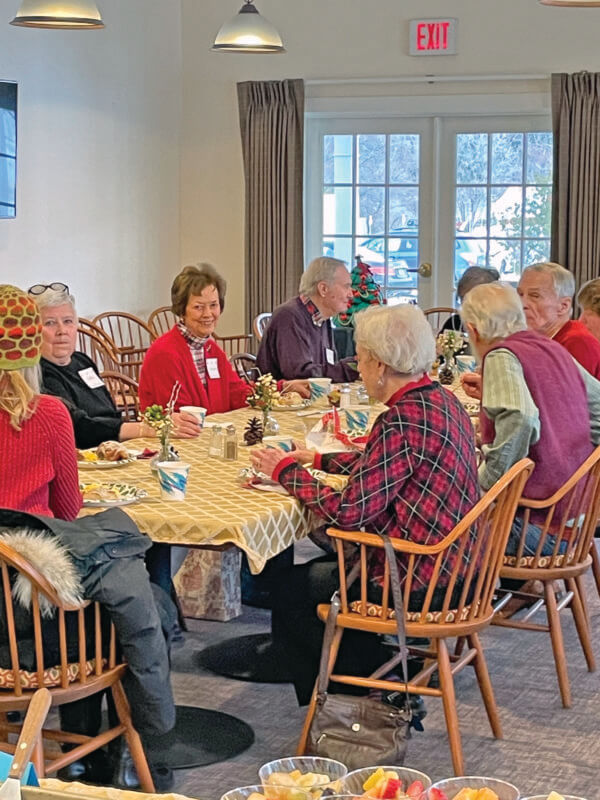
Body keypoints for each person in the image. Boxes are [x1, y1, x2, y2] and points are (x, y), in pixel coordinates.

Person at [251, 303, 480, 706]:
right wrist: (319, 460)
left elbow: (349, 512)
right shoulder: (440, 401)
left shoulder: (400, 420)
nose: (356, 365)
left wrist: (285, 471)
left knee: (291, 591)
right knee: (324, 578)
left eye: (360, 356)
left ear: (378, 363)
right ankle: (375, 672)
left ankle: (356, 699)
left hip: (418, 579)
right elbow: (386, 466)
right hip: (462, 568)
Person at [0, 284, 175, 790]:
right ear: (30, 345)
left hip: (6, 615)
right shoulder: (49, 413)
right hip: (32, 617)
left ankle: (73, 750)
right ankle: (125, 757)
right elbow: (67, 513)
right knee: (153, 609)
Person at [460, 282, 600, 554]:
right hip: (578, 519)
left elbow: (521, 417)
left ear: (473, 331)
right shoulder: (553, 348)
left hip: (539, 526)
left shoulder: (501, 354)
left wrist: (487, 485)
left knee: (433, 515)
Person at [30, 283, 200, 449]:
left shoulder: (82, 362)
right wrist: (146, 428)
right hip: (84, 459)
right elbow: (79, 428)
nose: (62, 330)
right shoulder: (36, 373)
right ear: (32, 330)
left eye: (68, 321)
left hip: (115, 447)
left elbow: (110, 412)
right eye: (50, 323)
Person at [139, 264, 308, 412]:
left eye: (213, 305)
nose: (208, 314)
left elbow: (237, 393)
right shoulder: (165, 353)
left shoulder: (212, 350)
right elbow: (176, 415)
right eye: (198, 307)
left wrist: (284, 387)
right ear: (182, 310)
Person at [256, 257, 358, 381]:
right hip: (284, 398)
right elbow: (299, 374)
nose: (351, 294)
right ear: (323, 289)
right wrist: (349, 368)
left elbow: (327, 366)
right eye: (346, 287)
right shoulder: (289, 316)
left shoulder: (323, 319)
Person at [517, 262, 600, 379]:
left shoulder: (578, 342)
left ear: (563, 306)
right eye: (520, 294)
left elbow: (565, 396)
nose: (522, 303)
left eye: (535, 296)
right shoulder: (534, 339)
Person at [440, 266, 500, 333]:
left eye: (474, 299)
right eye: (463, 298)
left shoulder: (502, 327)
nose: (467, 305)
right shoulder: (454, 323)